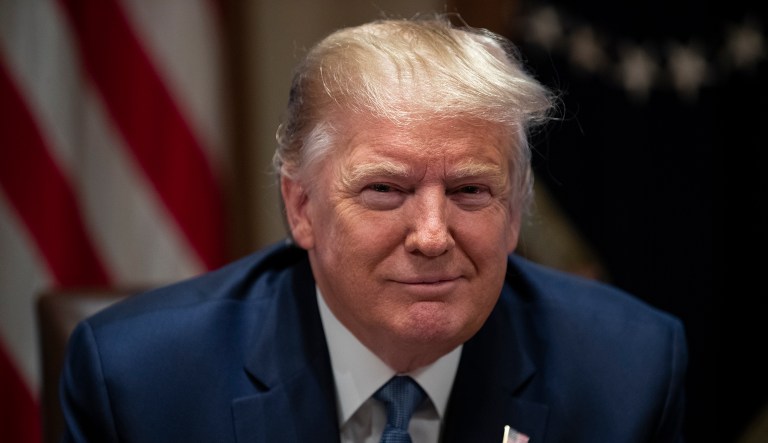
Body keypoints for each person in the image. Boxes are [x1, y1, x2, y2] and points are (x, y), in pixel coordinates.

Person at [59, 14, 687, 443]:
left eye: (471, 190)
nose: (433, 235)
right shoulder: (140, 382)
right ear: (302, 208)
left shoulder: (624, 371)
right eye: (385, 190)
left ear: (516, 210)